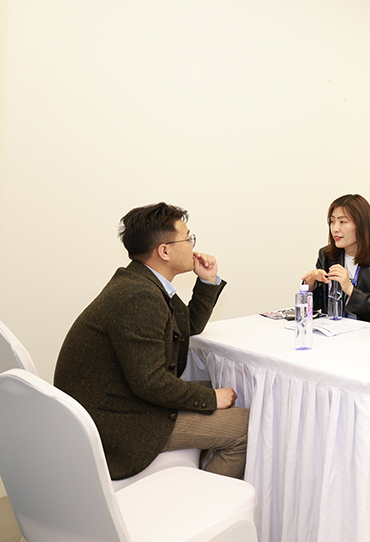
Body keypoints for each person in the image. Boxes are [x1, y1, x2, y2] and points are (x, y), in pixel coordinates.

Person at [54, 203, 247, 480]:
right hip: (118, 426)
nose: (193, 247)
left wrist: (207, 281)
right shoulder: (139, 296)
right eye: (188, 239)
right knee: (245, 428)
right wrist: (209, 399)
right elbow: (151, 382)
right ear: (164, 251)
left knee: (217, 385)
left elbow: (187, 327)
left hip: (116, 404)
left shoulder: (142, 281)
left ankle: (191, 478)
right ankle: (202, 501)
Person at [302, 194, 370, 321]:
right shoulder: (326, 255)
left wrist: (350, 289)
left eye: (342, 222)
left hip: (368, 331)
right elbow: (316, 308)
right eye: (332, 221)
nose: (335, 229)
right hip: (333, 329)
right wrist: (311, 286)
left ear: (361, 225)